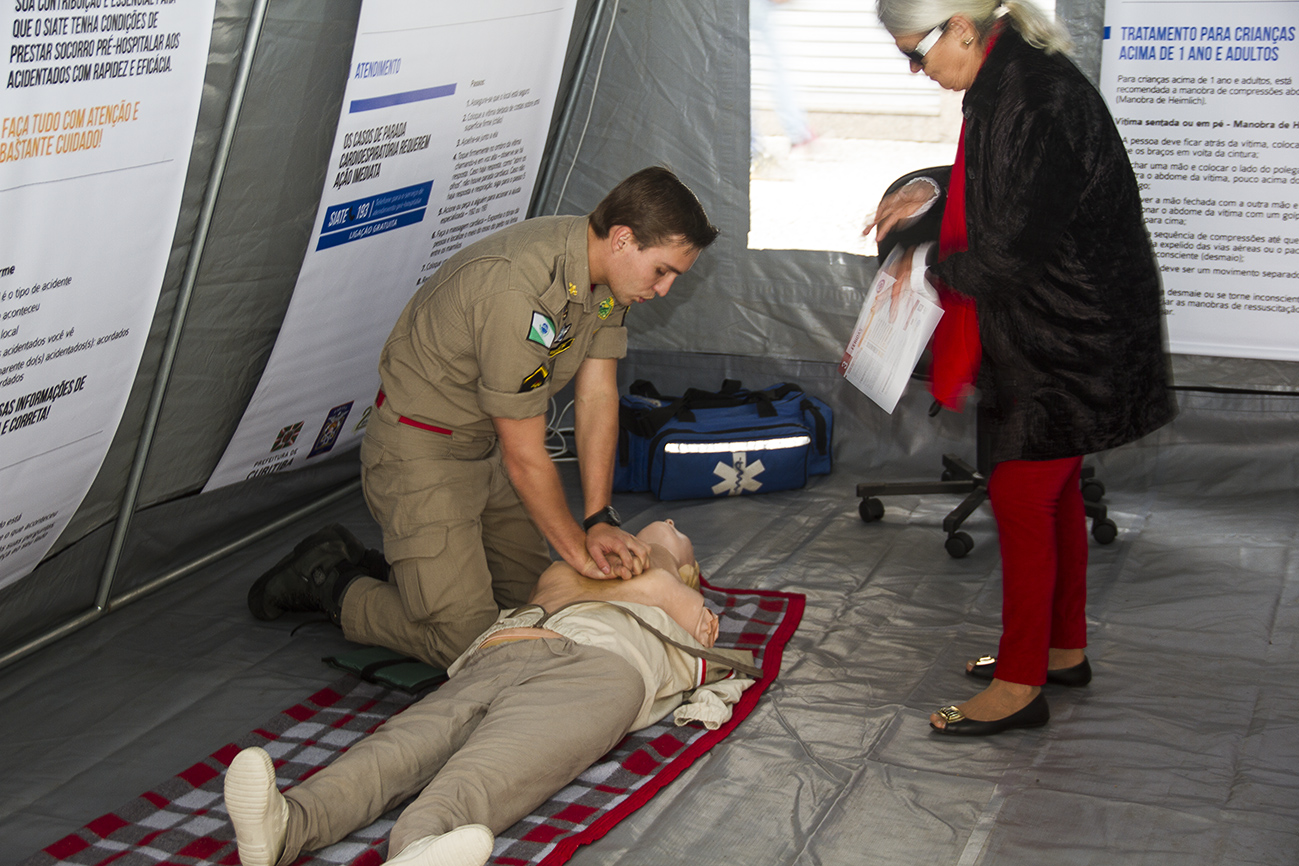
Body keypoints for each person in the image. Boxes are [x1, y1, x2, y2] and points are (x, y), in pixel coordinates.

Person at [247, 168, 719, 669]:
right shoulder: (518, 290)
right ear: (623, 239)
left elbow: (598, 396)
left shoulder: (605, 276)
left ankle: (409, 576)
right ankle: (328, 578)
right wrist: (580, 552)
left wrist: (598, 519)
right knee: (471, 643)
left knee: (534, 607)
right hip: (420, 453)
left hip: (486, 447)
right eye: (662, 271)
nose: (664, 289)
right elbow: (525, 455)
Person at [864, 0, 1175, 736]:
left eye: (915, 53)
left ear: (960, 28)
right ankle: (1060, 650)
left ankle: (1018, 685)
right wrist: (927, 192)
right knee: (1051, 489)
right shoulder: (1010, 77)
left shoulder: (1033, 95)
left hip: (1073, 332)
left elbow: (1006, 250)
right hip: (1055, 324)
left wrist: (918, 265)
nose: (915, 70)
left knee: (1020, 494)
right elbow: (1007, 183)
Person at [224, 520, 758, 866]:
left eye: (676, 532)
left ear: (689, 567)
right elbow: (564, 587)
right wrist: (644, 581)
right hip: (512, 651)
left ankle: (417, 845)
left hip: (588, 666)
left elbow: (695, 647)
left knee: (486, 766)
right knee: (405, 743)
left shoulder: (684, 599)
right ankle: (288, 822)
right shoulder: (582, 563)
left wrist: (665, 581)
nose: (669, 524)